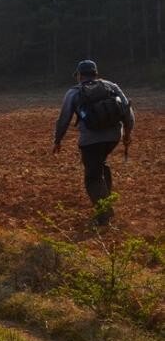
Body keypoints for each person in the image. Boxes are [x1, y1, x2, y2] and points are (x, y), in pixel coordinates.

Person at [53, 60, 134, 226]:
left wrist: (58, 140)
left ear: (80, 75)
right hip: (113, 137)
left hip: (90, 141)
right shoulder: (111, 86)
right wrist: (127, 134)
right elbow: (128, 111)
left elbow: (64, 119)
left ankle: (104, 215)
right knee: (101, 164)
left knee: (92, 177)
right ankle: (106, 202)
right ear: (95, 73)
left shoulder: (74, 92)